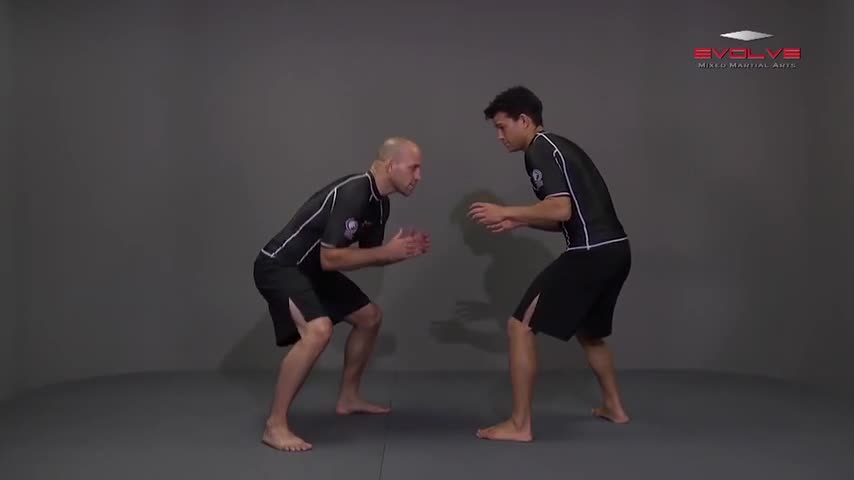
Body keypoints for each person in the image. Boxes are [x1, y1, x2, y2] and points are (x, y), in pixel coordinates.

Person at [469, 86, 632, 442]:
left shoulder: (539, 150)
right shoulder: (560, 146)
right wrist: (520, 221)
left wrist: (505, 210)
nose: (499, 136)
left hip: (590, 253)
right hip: (616, 251)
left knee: (519, 327)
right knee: (589, 332)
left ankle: (520, 425)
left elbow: (560, 209)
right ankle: (615, 407)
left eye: (502, 127)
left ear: (524, 120)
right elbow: (566, 218)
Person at [253, 137, 430, 452]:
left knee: (370, 318)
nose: (419, 176)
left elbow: (365, 255)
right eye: (414, 168)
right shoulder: (354, 191)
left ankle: (349, 397)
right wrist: (386, 252)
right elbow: (330, 258)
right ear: (391, 165)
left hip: (315, 271)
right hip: (281, 266)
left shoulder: (380, 204)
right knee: (318, 331)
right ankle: (274, 425)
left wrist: (397, 252)